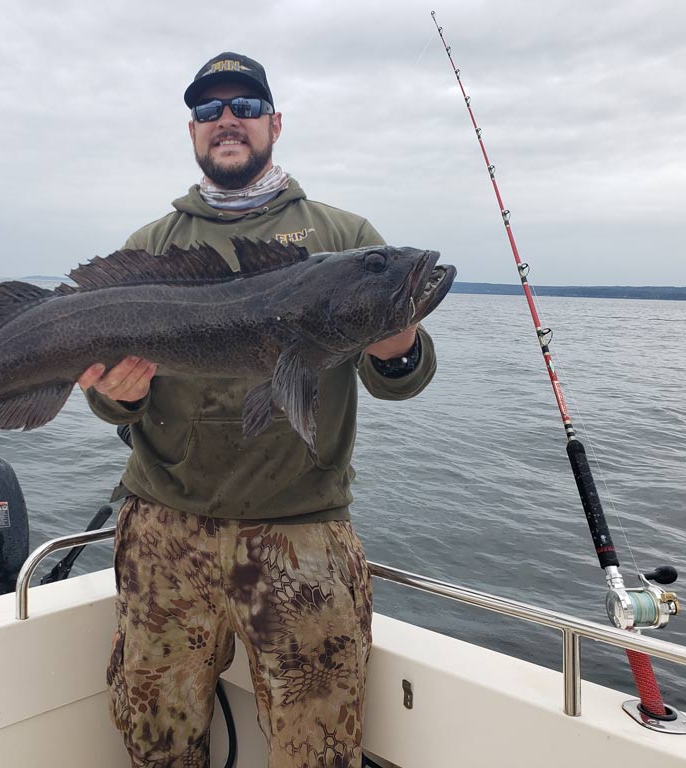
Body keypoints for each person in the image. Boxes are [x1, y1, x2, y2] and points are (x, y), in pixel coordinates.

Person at [77, 52, 438, 768]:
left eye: (244, 105)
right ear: (193, 131)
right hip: (163, 536)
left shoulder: (346, 238)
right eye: (210, 110)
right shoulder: (151, 247)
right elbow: (110, 405)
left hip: (301, 539)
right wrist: (113, 394)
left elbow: (399, 382)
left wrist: (397, 341)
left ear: (275, 123)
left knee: (318, 747)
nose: (227, 120)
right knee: (157, 738)